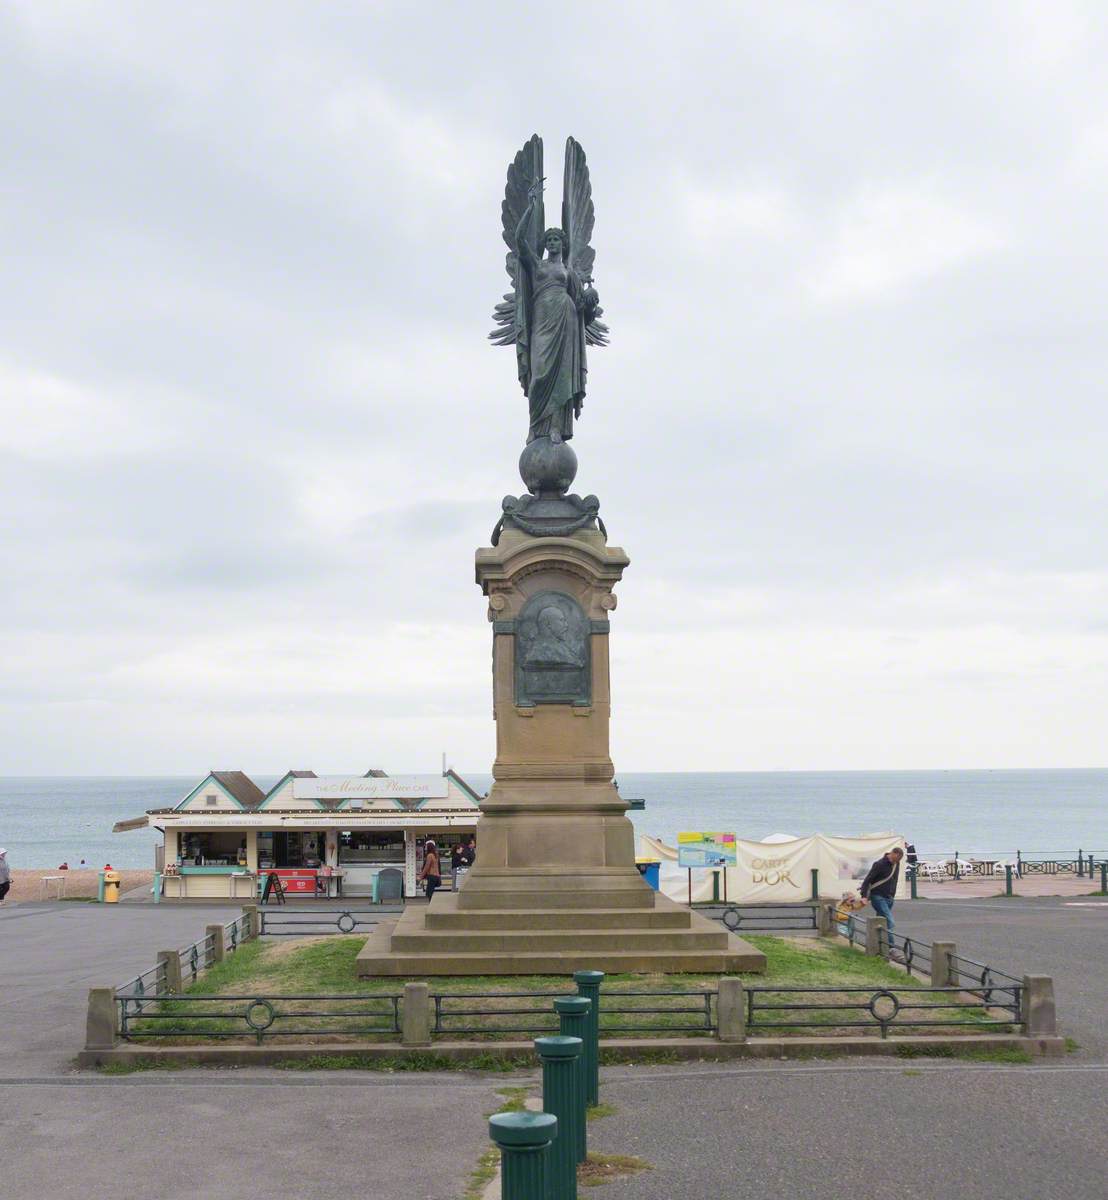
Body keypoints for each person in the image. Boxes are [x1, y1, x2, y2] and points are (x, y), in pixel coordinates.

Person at [860, 847, 904, 956]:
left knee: (880, 922)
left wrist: (892, 895)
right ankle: (891, 948)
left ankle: (878, 945)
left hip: (889, 897)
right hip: (878, 896)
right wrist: (864, 896)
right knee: (889, 921)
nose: (896, 862)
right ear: (892, 853)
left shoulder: (896, 864)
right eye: (895, 859)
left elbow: (895, 879)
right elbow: (867, 880)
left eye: (898, 861)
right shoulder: (879, 864)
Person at [417, 839, 442, 903]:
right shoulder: (436, 855)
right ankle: (432, 906)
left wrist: (420, 877)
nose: (425, 848)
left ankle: (431, 907)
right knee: (431, 892)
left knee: (429, 893)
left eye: (426, 846)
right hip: (436, 876)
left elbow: (426, 867)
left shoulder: (430, 855)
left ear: (429, 847)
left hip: (432, 876)